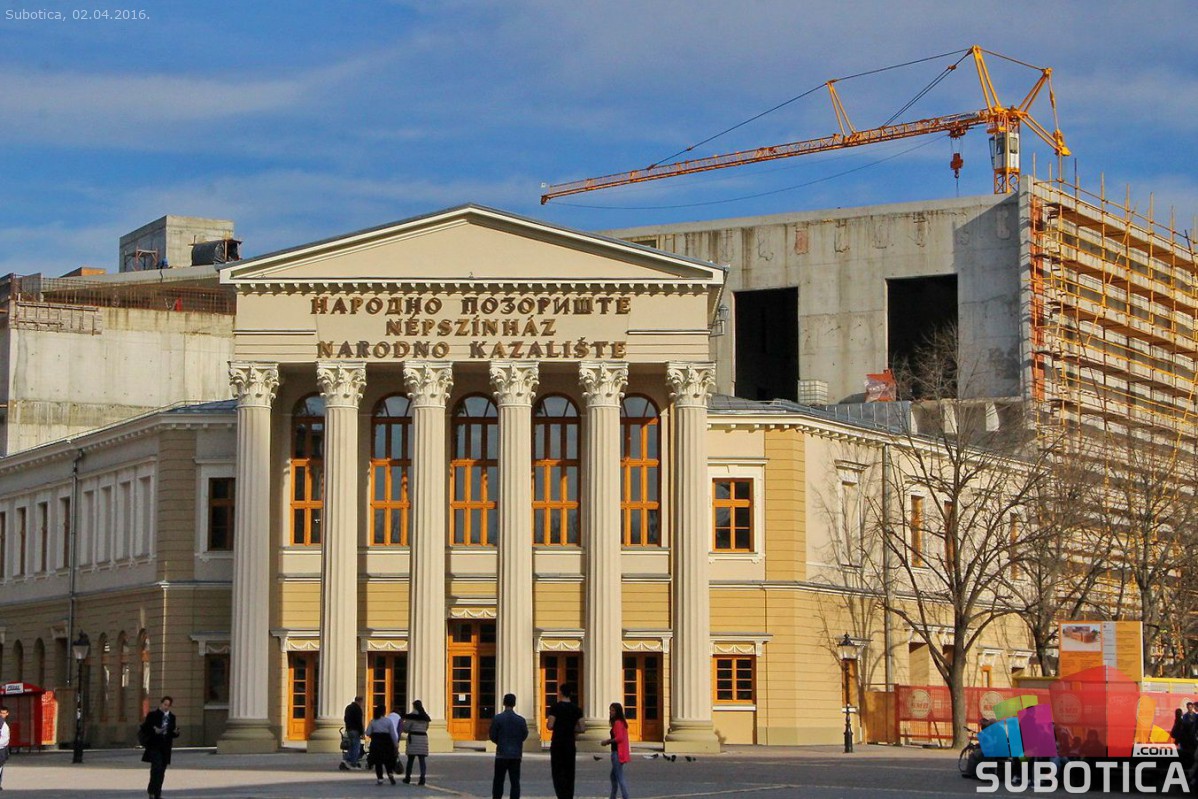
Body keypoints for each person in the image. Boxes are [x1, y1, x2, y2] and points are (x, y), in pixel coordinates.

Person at [546, 683, 585, 799]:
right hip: (570, 743)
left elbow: (550, 725)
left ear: (561, 693)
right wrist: (571, 728)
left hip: (557, 743)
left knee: (557, 771)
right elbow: (582, 728)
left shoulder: (555, 707)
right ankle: (569, 795)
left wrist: (559, 726)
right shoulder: (576, 709)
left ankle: (560, 795)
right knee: (569, 771)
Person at [490, 693, 529, 799]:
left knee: (498, 780)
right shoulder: (520, 720)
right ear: (514, 704)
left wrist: (500, 742)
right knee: (515, 781)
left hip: (501, 753)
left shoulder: (497, 718)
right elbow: (524, 734)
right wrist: (516, 742)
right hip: (516, 754)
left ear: (504, 703)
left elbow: (492, 735)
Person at [140, 696, 179, 799]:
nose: (166, 707)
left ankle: (157, 793)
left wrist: (176, 732)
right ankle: (151, 791)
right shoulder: (152, 715)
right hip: (154, 745)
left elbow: (172, 732)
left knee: (162, 771)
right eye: (165, 704)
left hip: (165, 747)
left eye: (168, 705)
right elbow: (145, 728)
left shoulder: (172, 717)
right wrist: (154, 730)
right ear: (161, 704)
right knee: (156, 768)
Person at [600, 702, 631, 799]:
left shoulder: (618, 723)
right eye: (610, 710)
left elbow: (619, 738)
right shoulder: (621, 722)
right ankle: (613, 796)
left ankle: (625, 796)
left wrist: (607, 741)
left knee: (619, 776)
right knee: (613, 776)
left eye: (613, 710)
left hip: (617, 753)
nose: (610, 712)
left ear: (617, 711)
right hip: (618, 752)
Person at [366, 706, 399, 785]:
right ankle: (390, 774)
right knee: (388, 760)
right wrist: (396, 744)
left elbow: (368, 732)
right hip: (387, 742)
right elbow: (393, 733)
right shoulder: (388, 721)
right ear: (384, 712)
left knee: (378, 761)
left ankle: (380, 778)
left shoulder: (373, 721)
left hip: (376, 742)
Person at [402, 699, 431, 785]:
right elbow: (426, 727)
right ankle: (422, 778)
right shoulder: (425, 717)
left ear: (414, 706)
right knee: (422, 760)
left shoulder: (411, 717)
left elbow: (406, 728)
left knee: (410, 760)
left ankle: (408, 777)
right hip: (423, 738)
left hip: (413, 739)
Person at [340, 695, 365, 771]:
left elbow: (345, 719)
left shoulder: (348, 707)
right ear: (360, 701)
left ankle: (346, 760)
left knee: (350, 747)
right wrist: (362, 732)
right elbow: (359, 721)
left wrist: (347, 727)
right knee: (355, 747)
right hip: (355, 730)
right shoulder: (357, 709)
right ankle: (353, 763)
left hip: (349, 729)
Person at [0, 705, 10, 791]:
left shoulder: (4, 725)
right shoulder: (3, 724)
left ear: (7, 714)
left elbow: (5, 739)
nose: (2, 715)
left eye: (4, 713)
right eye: (1, 713)